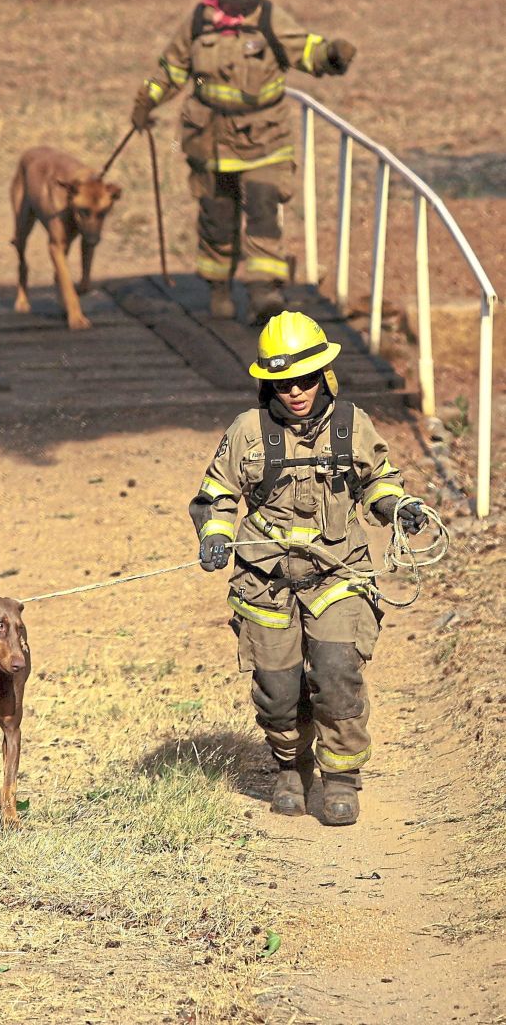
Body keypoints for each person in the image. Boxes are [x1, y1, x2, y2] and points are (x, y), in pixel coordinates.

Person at [189, 311, 427, 825]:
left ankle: (341, 779)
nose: (296, 391)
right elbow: (216, 496)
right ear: (269, 383)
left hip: (338, 575)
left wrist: (397, 508)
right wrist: (214, 536)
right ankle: (290, 769)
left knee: (338, 675)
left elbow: (378, 480)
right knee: (278, 692)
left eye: (306, 379)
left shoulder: (352, 425)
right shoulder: (247, 433)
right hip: (266, 583)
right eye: (283, 382)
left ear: (324, 376)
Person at [130, 0, 356, 324]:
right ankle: (219, 289)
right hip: (210, 142)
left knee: (265, 208)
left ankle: (263, 292)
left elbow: (306, 49)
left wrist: (332, 55)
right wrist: (146, 100)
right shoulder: (198, 21)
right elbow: (171, 69)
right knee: (217, 217)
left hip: (265, 140)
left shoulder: (271, 19)